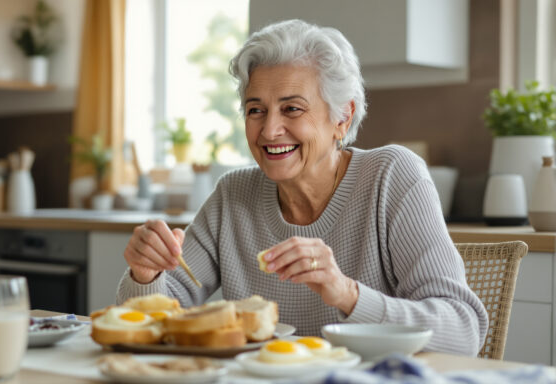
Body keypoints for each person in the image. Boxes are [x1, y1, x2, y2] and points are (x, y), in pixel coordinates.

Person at [117, 19, 487, 356]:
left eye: (292, 109)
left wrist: (346, 293)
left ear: (341, 118)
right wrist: (146, 275)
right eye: (255, 110)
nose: (268, 130)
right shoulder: (233, 195)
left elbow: (463, 331)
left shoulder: (391, 176)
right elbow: (146, 322)